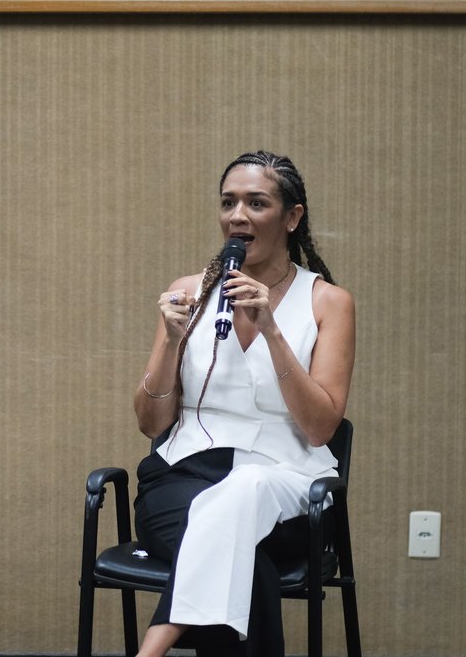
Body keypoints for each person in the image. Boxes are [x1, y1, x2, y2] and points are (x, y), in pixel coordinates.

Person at [132, 151, 355, 656]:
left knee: (242, 502)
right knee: (243, 563)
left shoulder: (328, 303)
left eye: (257, 203)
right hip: (182, 480)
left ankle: (152, 648)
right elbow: (151, 425)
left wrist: (273, 331)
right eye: (228, 202)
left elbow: (321, 429)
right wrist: (170, 342)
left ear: (291, 217)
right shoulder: (187, 293)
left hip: (284, 486)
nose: (238, 216)